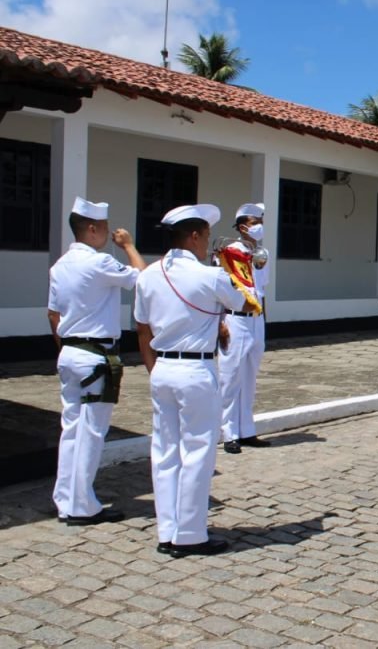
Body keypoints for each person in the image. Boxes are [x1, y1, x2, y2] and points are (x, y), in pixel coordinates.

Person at [134, 204, 253, 558]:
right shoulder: (209, 276)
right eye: (205, 238)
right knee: (197, 452)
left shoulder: (148, 275)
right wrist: (234, 265)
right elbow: (248, 304)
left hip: (162, 368)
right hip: (196, 370)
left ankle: (167, 529)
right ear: (196, 236)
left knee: (165, 452)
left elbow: (142, 329)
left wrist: (153, 369)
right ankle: (189, 534)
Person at [47, 197, 145, 525]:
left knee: (72, 430)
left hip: (70, 352)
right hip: (95, 355)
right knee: (91, 433)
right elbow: (144, 279)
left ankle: (65, 497)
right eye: (103, 228)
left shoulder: (59, 266)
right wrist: (129, 246)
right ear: (92, 229)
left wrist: (66, 348)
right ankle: (82, 504)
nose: (106, 234)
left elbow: (53, 314)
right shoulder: (99, 262)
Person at [219, 203, 271, 454]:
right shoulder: (229, 252)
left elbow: (261, 292)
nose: (259, 225)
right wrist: (219, 322)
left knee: (250, 375)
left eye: (260, 220)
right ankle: (228, 432)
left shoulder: (262, 253)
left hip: (256, 319)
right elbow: (219, 290)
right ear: (242, 227)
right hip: (235, 318)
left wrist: (263, 321)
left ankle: (247, 430)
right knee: (230, 377)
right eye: (254, 222)